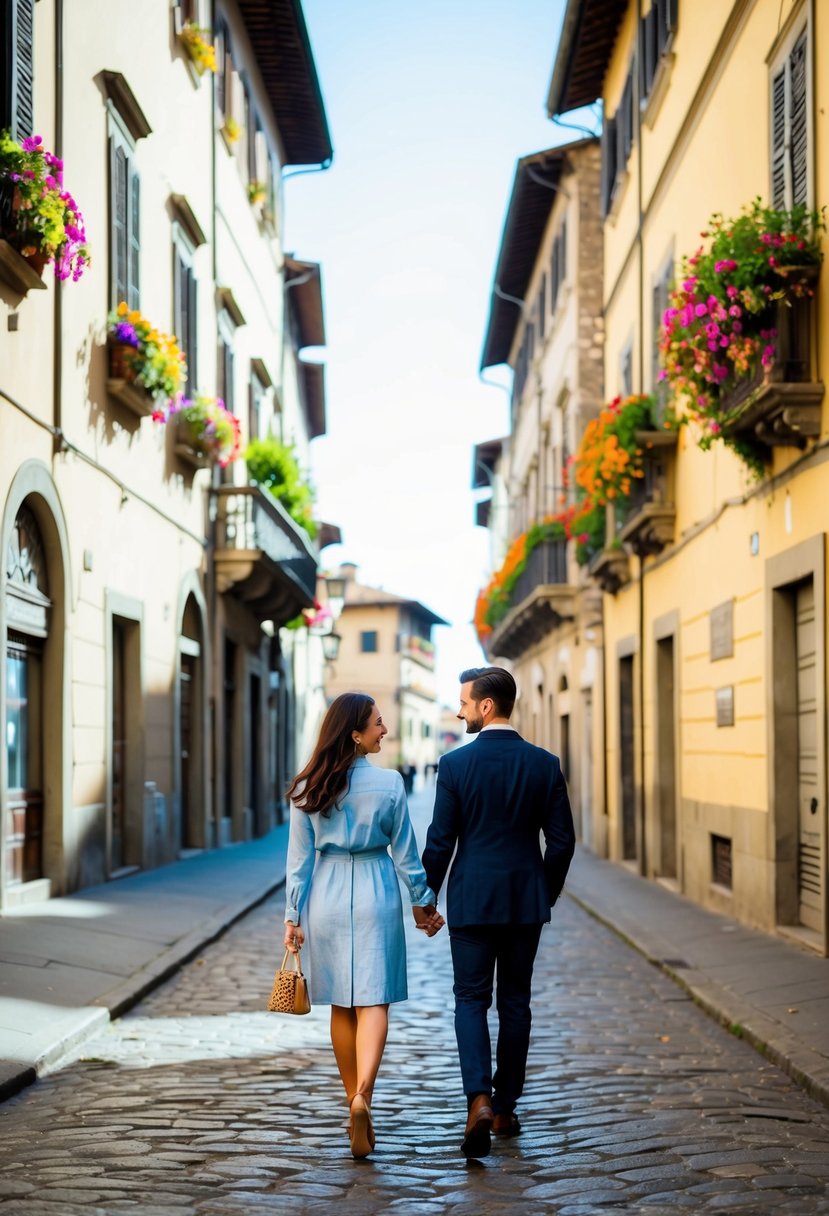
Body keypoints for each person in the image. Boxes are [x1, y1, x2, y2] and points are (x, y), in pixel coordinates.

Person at [422, 666, 575, 1159]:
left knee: (469, 1000)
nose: (459, 709)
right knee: (515, 1004)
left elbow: (441, 841)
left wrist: (425, 897)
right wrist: (543, 892)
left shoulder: (455, 765)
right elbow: (563, 842)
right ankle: (506, 1107)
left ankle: (478, 1100)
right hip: (523, 903)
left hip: (470, 900)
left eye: (464, 702)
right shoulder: (544, 764)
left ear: (487, 706)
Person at [283, 692, 444, 1159]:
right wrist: (423, 903)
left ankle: (350, 1095)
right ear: (355, 733)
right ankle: (363, 1098)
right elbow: (407, 856)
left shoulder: (307, 786)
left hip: (326, 894)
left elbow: (297, 862)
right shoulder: (390, 784)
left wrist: (292, 916)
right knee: (375, 1000)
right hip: (375, 888)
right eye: (377, 723)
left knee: (340, 1003)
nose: (385, 729)